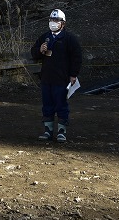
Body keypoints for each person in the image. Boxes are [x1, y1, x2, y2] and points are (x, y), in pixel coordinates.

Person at [30, 9, 81, 143]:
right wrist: (39, 51)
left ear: (63, 23)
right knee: (47, 105)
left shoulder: (70, 39)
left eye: (56, 20)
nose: (53, 23)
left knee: (61, 104)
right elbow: (34, 53)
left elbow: (77, 58)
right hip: (46, 78)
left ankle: (61, 132)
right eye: (51, 20)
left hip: (62, 79)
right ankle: (48, 131)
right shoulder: (44, 37)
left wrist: (73, 74)